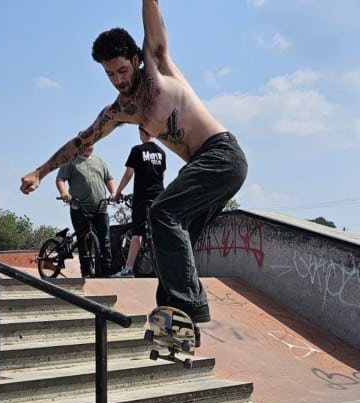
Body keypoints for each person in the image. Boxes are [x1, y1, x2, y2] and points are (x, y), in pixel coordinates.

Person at [20, 0, 248, 328]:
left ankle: (191, 307)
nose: (118, 80)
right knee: (170, 237)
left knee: (162, 212)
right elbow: (80, 142)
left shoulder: (157, 63)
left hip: (222, 155)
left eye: (123, 71)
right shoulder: (119, 111)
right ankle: (172, 321)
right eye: (110, 74)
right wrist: (40, 172)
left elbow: (151, 8)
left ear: (136, 60)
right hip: (201, 166)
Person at [111, 126, 166, 277]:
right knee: (159, 231)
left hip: (142, 196)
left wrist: (118, 192)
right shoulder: (161, 153)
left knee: (137, 234)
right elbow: (162, 176)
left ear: (141, 132)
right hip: (158, 195)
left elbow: (129, 174)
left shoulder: (137, 150)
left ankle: (128, 269)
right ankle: (166, 269)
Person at [55, 144, 116, 277]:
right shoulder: (71, 161)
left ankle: (106, 270)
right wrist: (64, 192)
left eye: (92, 144)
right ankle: (86, 271)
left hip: (100, 207)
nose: (90, 147)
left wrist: (113, 192)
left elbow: (109, 178)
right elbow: (60, 179)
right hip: (80, 207)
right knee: (84, 240)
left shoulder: (99, 161)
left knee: (104, 239)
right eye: (87, 144)